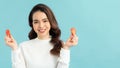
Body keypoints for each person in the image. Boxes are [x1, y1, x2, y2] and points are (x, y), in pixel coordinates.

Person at [4, 3, 78, 68]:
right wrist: (14, 48)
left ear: (51, 22)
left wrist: (66, 47)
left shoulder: (61, 45)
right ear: (32, 24)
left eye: (45, 21)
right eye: (36, 22)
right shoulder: (23, 47)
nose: (41, 25)